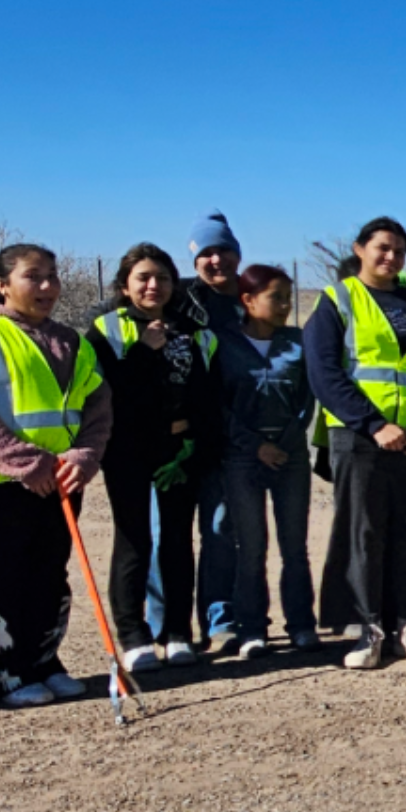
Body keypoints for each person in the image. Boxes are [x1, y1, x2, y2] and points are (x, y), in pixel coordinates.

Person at [0, 244, 112, 705]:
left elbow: (97, 405)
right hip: (3, 486)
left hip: (60, 484)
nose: (47, 287)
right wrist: (25, 463)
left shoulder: (71, 341)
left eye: (52, 276)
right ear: (2, 285)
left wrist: (84, 457)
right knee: (1, 582)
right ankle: (4, 672)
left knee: (48, 578)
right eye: (33, 277)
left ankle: (42, 659)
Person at [305, 217, 406, 670]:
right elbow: (324, 373)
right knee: (363, 533)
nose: (390, 258)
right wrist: (373, 424)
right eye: (382, 248)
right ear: (360, 249)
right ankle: (367, 628)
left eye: (398, 251)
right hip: (360, 438)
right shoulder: (338, 301)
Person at [87, 243, 225, 672]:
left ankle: (177, 632)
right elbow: (111, 394)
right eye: (143, 278)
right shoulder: (106, 330)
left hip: (178, 450)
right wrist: (145, 351)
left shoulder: (195, 330)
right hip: (128, 449)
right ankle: (133, 636)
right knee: (134, 541)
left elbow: (209, 394)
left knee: (178, 542)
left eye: (162, 277)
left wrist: (195, 446)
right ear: (125, 286)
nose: (153, 285)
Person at [218, 264, 316, 658]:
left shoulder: (298, 342)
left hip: (290, 457)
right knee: (251, 545)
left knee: (295, 545)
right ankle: (253, 629)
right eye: (276, 297)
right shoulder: (223, 345)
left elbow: (307, 399)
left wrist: (286, 442)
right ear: (248, 300)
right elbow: (217, 404)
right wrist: (254, 445)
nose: (285, 306)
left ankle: (303, 625)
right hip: (243, 459)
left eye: (288, 298)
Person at [181, 211, 246, 652]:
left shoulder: (251, 298)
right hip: (177, 437)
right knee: (164, 536)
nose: (215, 260)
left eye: (223, 250)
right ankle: (166, 628)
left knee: (221, 531)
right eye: (206, 252)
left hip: (228, 437)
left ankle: (220, 619)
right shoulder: (177, 299)